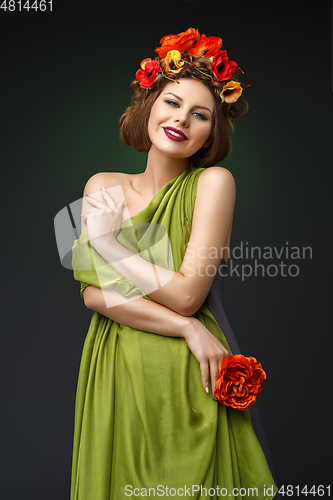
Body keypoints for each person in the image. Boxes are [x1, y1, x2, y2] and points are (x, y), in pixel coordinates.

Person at [70, 27, 279, 499]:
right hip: (116, 371)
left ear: (211, 131)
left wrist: (111, 247)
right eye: (171, 102)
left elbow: (188, 295)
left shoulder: (214, 183)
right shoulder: (100, 184)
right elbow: (94, 296)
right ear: (148, 104)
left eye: (199, 114)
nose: (181, 119)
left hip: (191, 376)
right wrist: (187, 328)